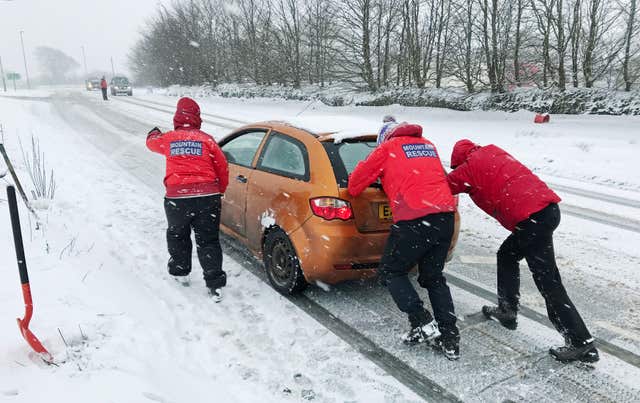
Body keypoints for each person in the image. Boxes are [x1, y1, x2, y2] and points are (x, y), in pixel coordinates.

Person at [446, 139, 598, 363]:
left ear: (460, 160)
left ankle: (581, 342)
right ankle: (507, 309)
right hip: (547, 210)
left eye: (457, 166)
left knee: (549, 282)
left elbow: (441, 186)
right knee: (507, 255)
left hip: (532, 220)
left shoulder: (468, 169)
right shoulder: (493, 151)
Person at [349, 122, 460, 360]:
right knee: (433, 277)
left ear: (384, 138)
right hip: (444, 217)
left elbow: (355, 185)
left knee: (391, 271)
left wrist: (371, 170)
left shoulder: (387, 149)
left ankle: (422, 320)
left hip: (414, 218)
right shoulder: (427, 145)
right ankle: (450, 338)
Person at [146, 97, 229, 302]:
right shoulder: (207, 140)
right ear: (197, 117)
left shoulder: (169, 139)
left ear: (177, 116)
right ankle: (215, 285)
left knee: (178, 235)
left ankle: (181, 272)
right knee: (208, 240)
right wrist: (220, 190)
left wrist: (153, 133)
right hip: (207, 198)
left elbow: (151, 144)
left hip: (178, 199)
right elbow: (222, 167)